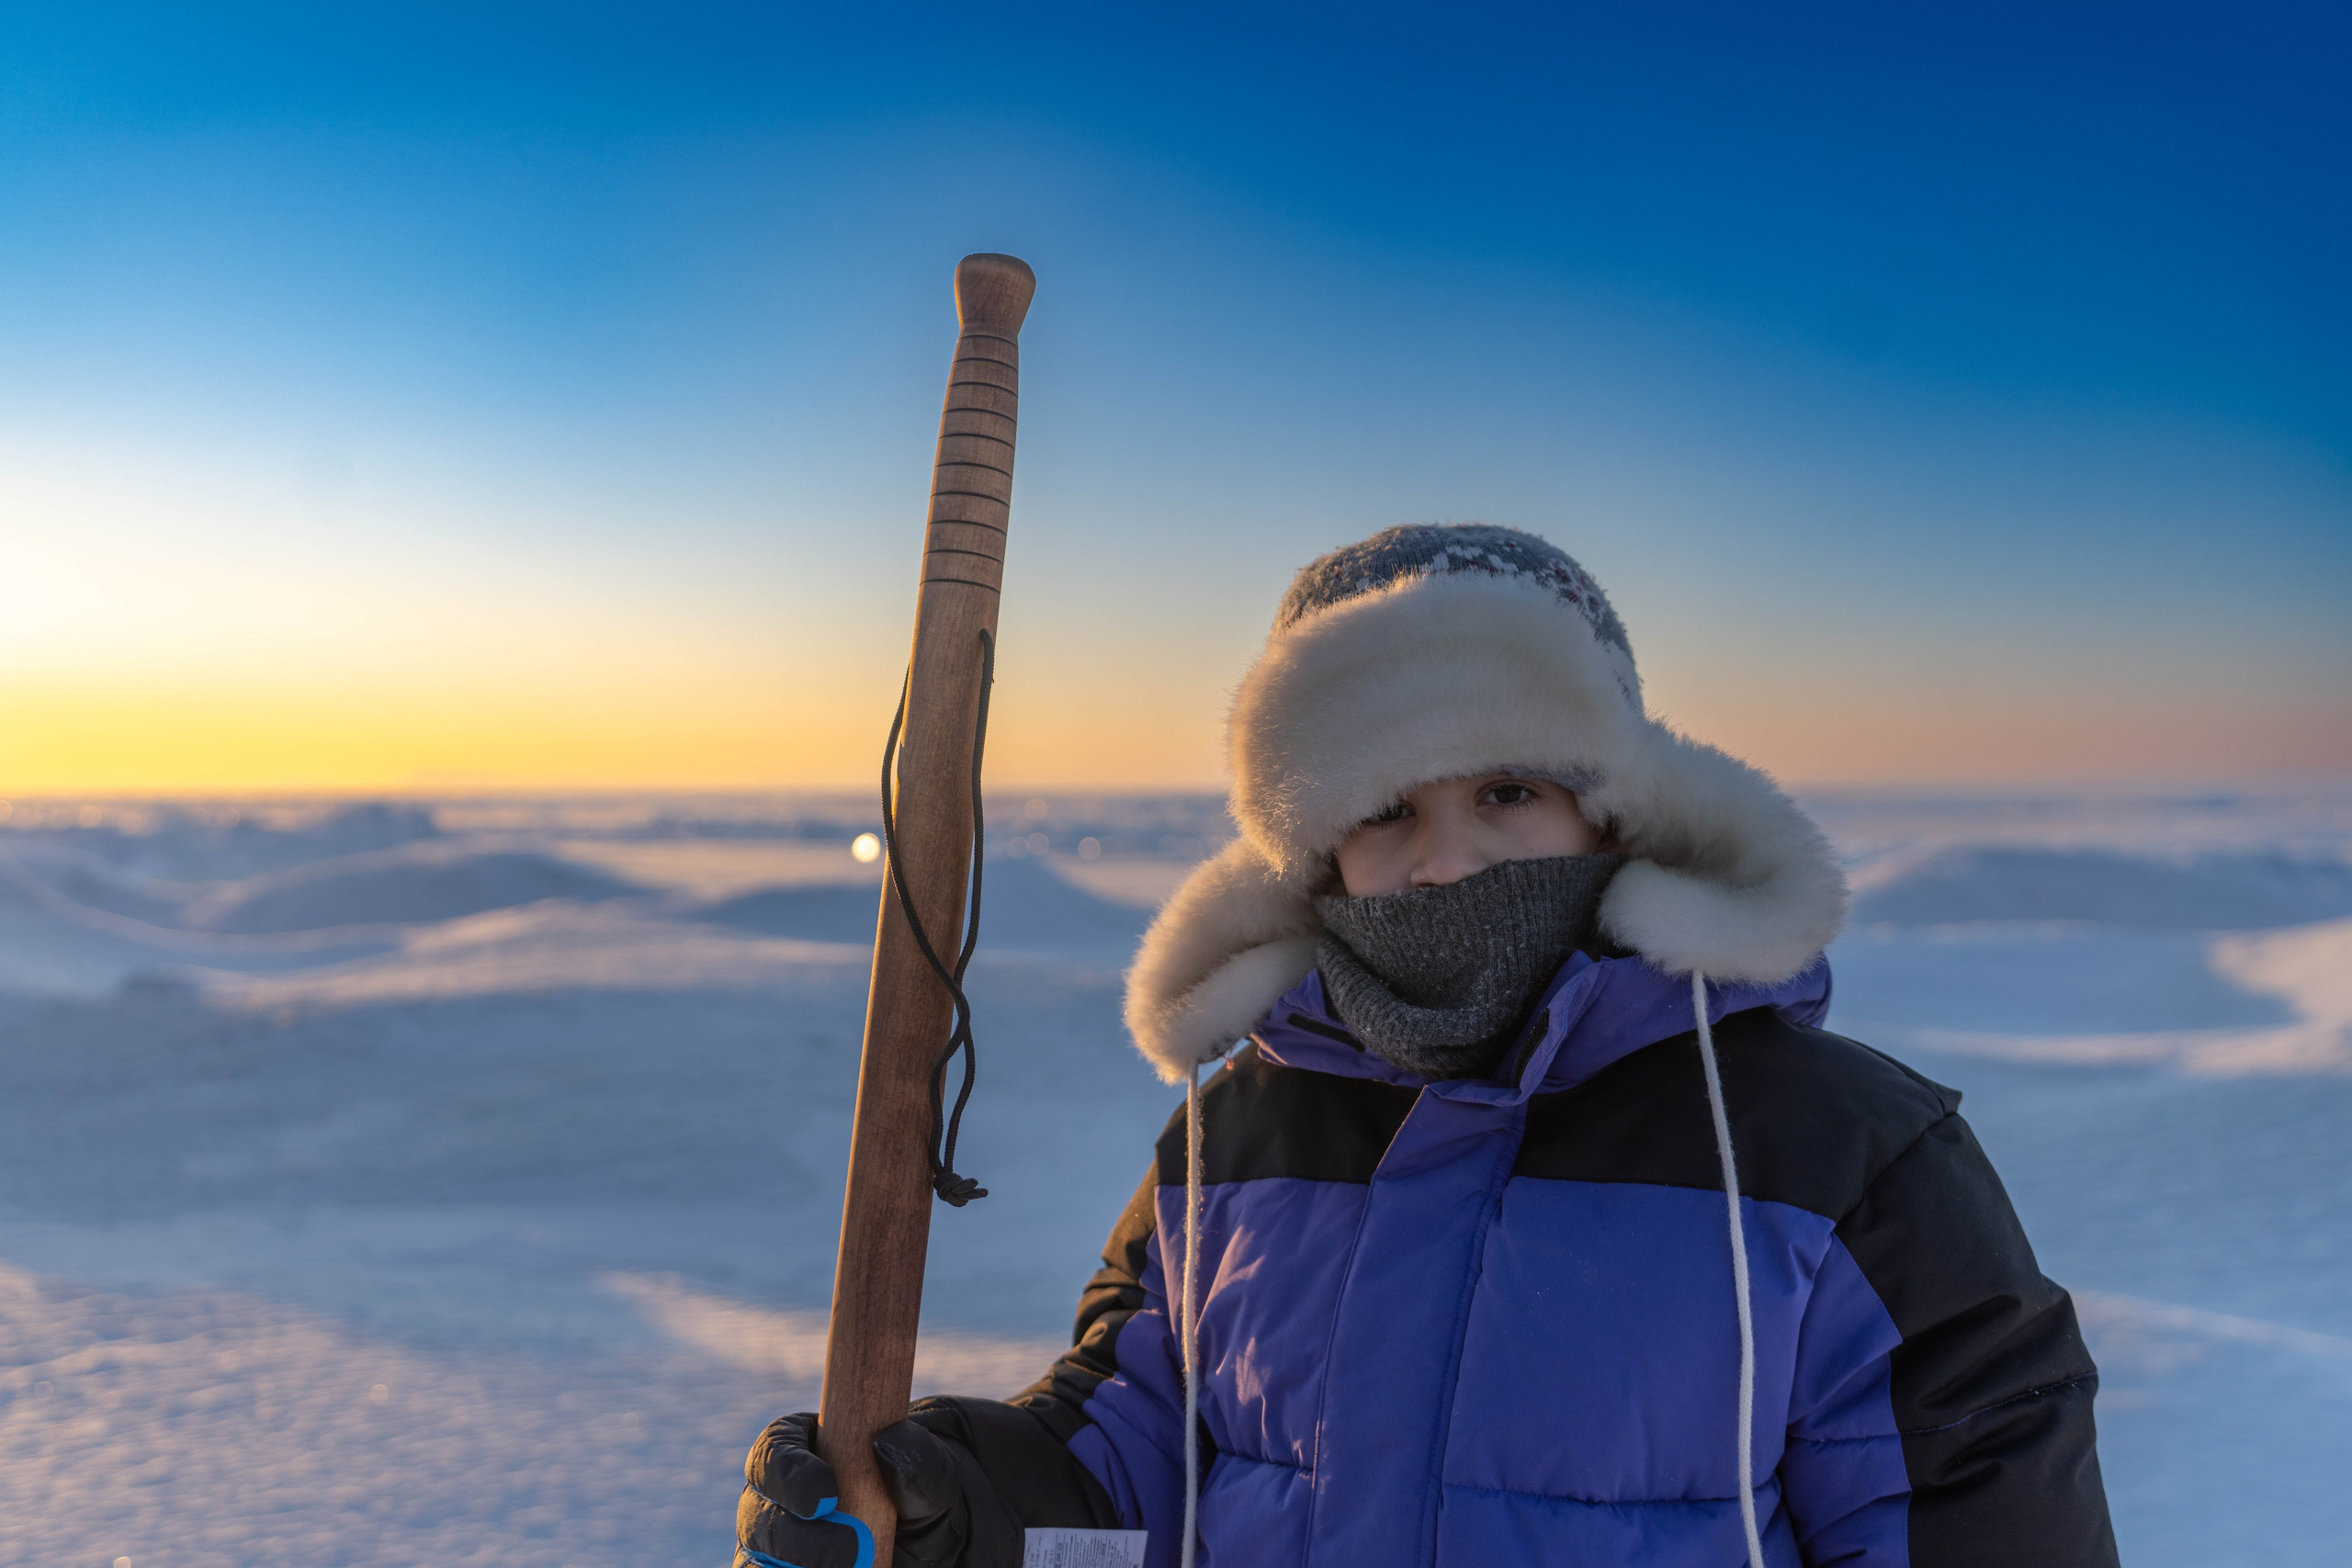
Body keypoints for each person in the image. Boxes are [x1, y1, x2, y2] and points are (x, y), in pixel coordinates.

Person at [737, 525, 2119, 1568]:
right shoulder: (1233, 1141)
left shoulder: (1843, 1158)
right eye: (1384, 806)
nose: (1445, 862)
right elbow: (1125, 1491)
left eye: (1507, 791)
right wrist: (939, 1518)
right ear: (1313, 847)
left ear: (1608, 813)